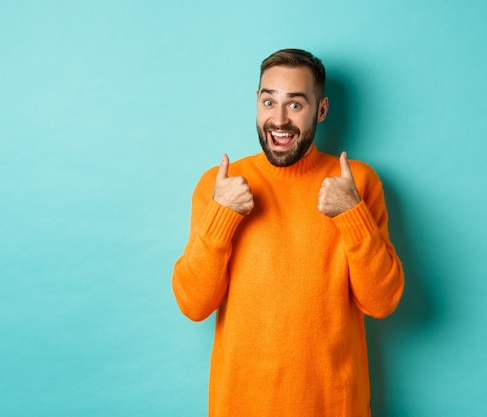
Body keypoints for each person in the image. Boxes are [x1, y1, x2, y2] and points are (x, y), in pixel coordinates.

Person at [172, 48, 404, 417]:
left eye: (295, 105)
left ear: (322, 110)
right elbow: (194, 305)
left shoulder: (357, 183)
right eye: (269, 101)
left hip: (334, 406)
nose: (278, 120)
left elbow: (382, 302)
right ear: (257, 103)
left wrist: (352, 214)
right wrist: (221, 216)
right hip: (241, 406)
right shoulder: (220, 186)